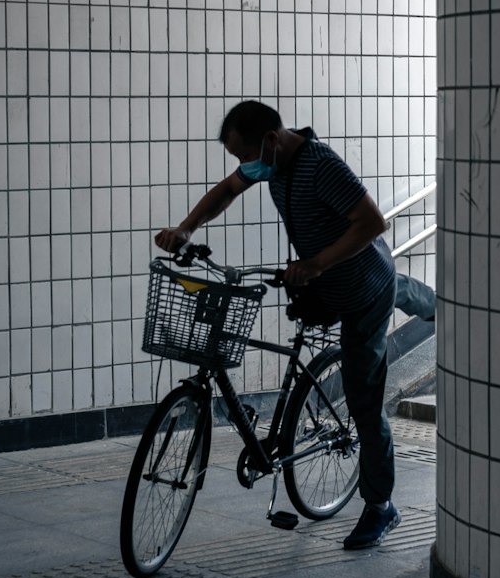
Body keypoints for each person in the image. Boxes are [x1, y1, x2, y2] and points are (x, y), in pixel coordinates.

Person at [154, 100, 436, 550]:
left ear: (270, 140)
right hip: (328, 282)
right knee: (376, 288)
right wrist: (187, 228)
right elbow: (226, 190)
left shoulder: (321, 165)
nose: (243, 167)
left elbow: (372, 222)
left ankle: (382, 508)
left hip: (362, 288)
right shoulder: (269, 162)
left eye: (245, 155)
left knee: (364, 399)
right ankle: (425, 301)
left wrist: (316, 264)